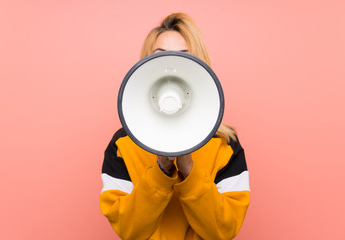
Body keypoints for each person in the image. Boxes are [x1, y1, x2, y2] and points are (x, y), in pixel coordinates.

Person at [100, 12, 250, 240]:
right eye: (160, 56)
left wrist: (188, 170)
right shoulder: (123, 145)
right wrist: (162, 170)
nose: (171, 64)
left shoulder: (225, 146)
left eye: (184, 56)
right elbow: (129, 231)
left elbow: (223, 231)